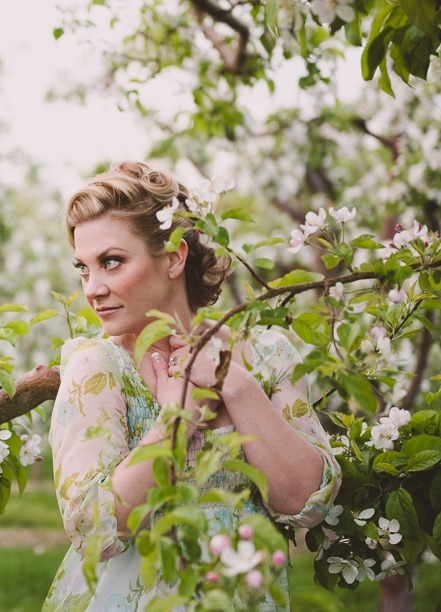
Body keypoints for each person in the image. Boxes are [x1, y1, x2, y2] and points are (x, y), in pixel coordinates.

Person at [43, 161, 341, 611]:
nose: (93, 288)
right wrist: (175, 423)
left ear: (175, 257)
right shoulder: (98, 368)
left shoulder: (264, 356)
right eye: (84, 268)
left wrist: (235, 386)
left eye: (111, 262)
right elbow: (93, 526)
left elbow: (306, 501)